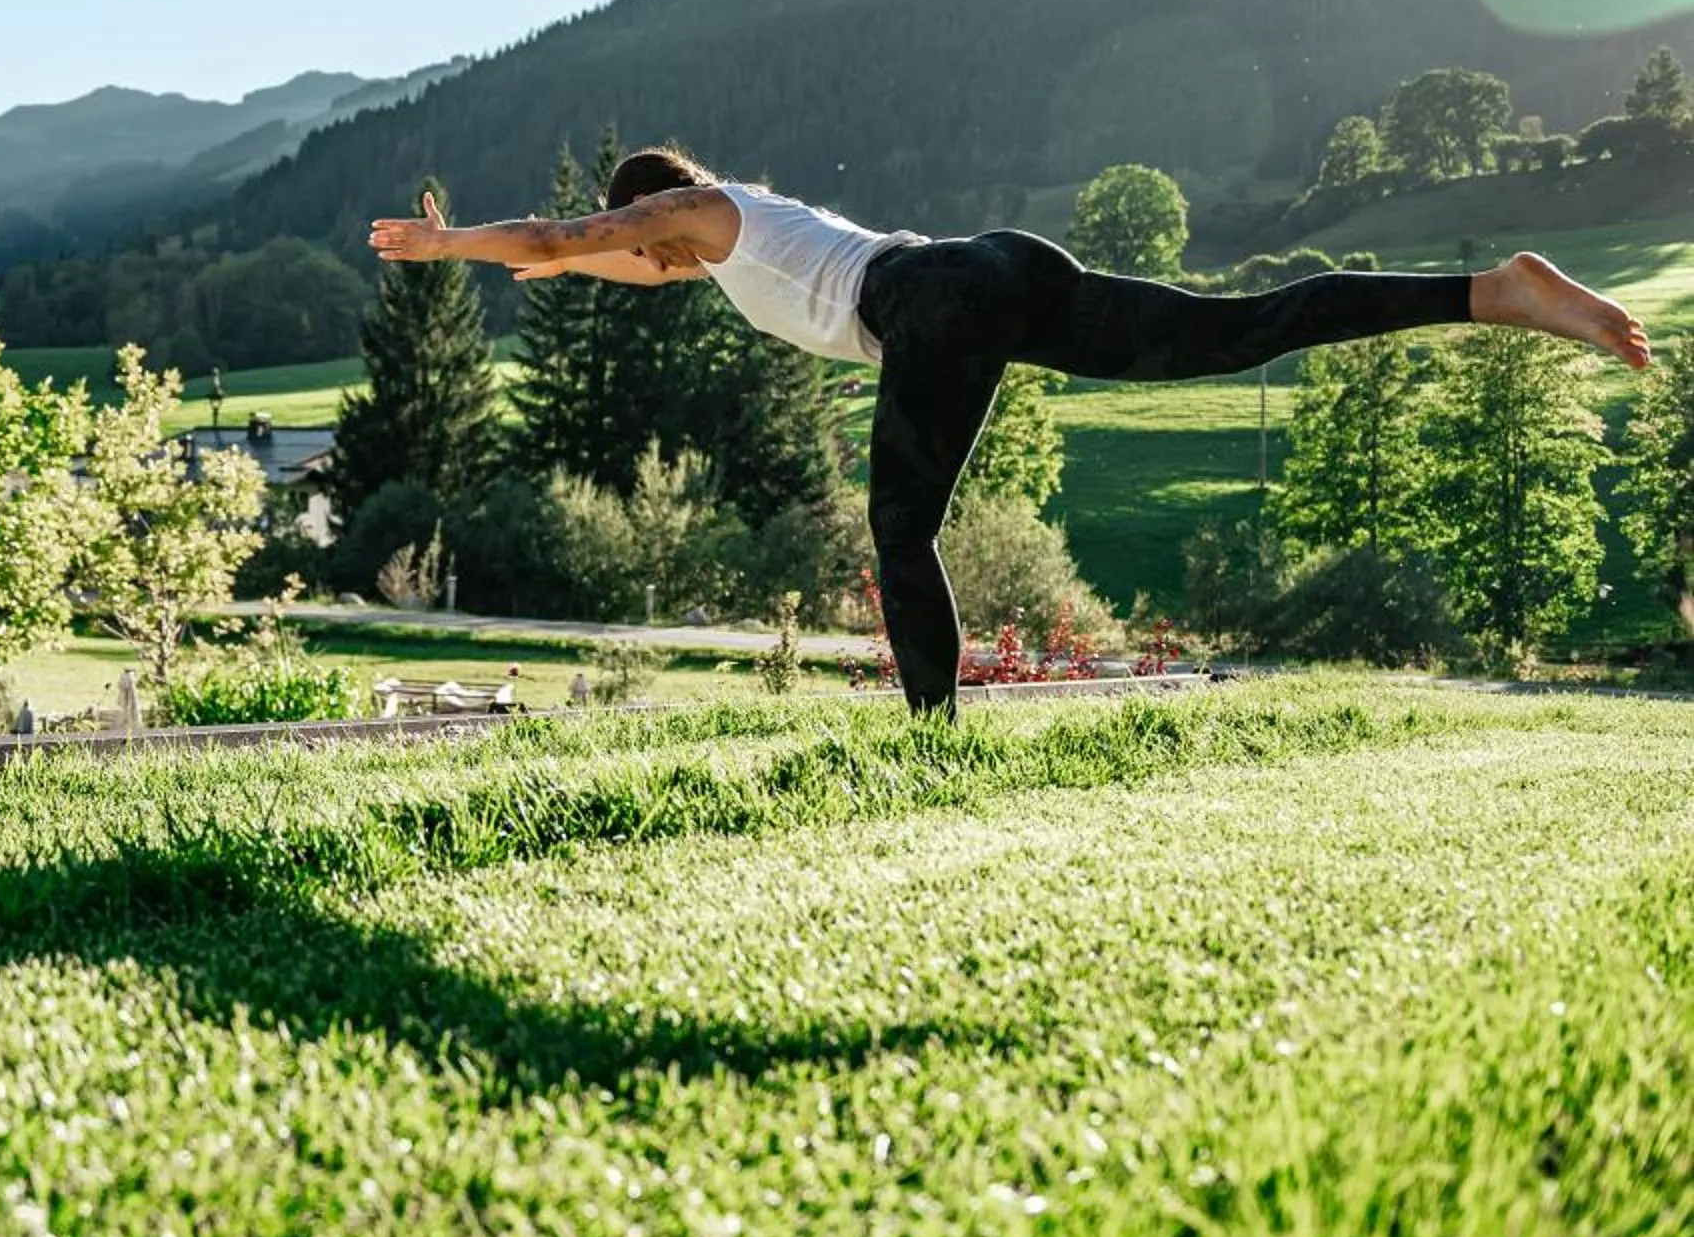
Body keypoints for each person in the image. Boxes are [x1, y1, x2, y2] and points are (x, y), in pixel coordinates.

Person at [369, 147, 1650, 715]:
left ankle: (932, 739)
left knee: (897, 524)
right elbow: (583, 263)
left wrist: (448, 242)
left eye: (637, 238)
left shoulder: (702, 207)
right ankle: (1496, 295)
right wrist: (519, 262)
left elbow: (564, 240)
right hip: (992, 272)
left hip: (933, 303)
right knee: (1236, 329)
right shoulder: (724, 238)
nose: (644, 259)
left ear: (652, 208)